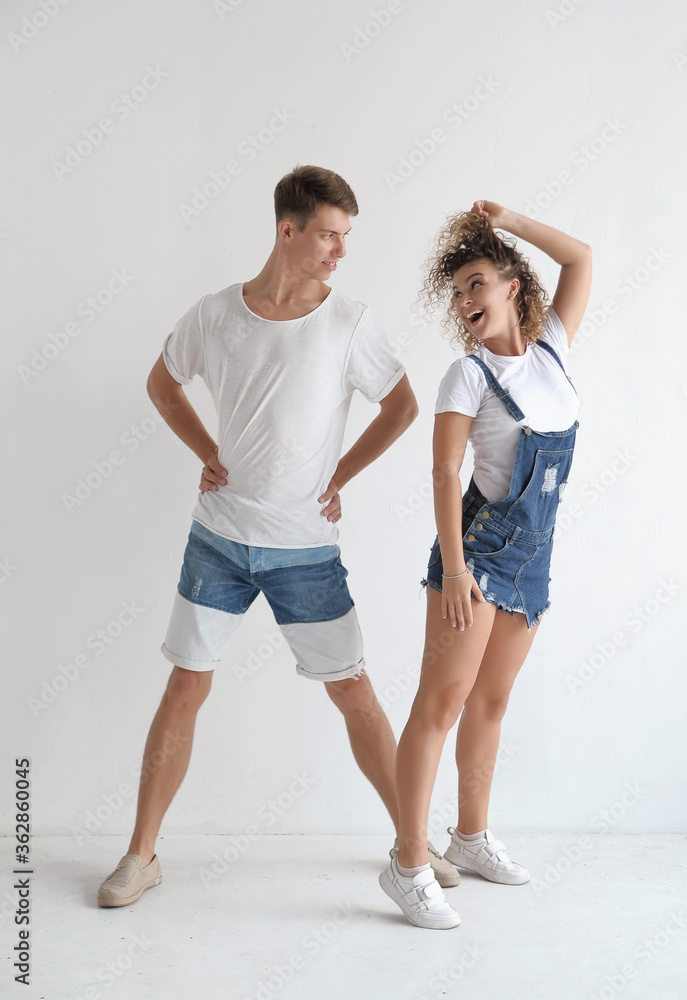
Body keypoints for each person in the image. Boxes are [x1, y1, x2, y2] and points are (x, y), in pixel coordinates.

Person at [97, 164, 458, 907]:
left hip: (305, 550)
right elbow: (162, 385)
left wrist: (340, 476)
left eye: (346, 236)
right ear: (286, 231)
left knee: (353, 693)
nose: (340, 250)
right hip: (219, 540)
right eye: (328, 235)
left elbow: (400, 407)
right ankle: (141, 855)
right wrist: (207, 453)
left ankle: (414, 846)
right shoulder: (214, 315)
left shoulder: (348, 322)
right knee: (184, 685)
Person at [379, 200, 592, 929]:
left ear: (512, 286)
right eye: (457, 292)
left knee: (491, 703)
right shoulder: (466, 376)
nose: (465, 300)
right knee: (439, 705)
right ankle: (408, 863)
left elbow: (580, 257)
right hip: (476, 554)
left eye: (476, 283)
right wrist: (456, 570)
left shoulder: (552, 350)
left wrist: (507, 221)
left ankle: (468, 838)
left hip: (534, 557)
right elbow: (445, 474)